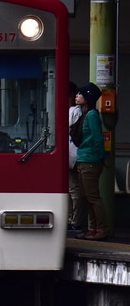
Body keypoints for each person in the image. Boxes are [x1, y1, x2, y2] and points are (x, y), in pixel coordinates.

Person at [73, 82, 108, 240]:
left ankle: (100, 228)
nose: (77, 96)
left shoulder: (92, 115)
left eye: (80, 94)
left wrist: (101, 157)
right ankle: (92, 227)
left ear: (88, 98)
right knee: (86, 196)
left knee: (92, 196)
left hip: (90, 160)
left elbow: (97, 138)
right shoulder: (85, 113)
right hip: (83, 158)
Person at [67, 82, 84, 234]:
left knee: (74, 189)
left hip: (73, 154)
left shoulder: (75, 112)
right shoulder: (72, 111)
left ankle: (75, 220)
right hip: (69, 155)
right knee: (70, 189)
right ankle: (70, 219)